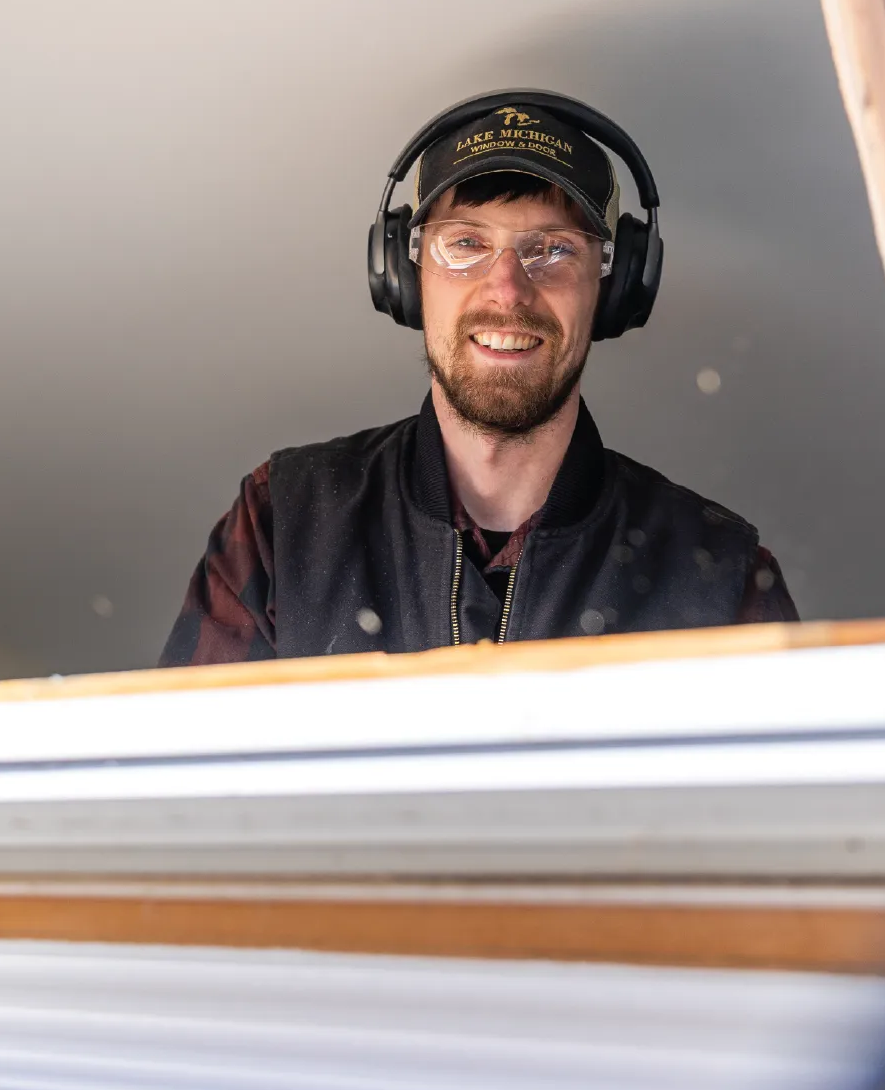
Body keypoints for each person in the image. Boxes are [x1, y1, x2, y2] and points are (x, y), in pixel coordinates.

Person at [162, 91, 798, 668]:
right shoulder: (282, 526)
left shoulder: (716, 574)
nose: (507, 290)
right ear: (404, 278)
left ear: (612, 289)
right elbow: (182, 788)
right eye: (465, 243)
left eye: (553, 248)